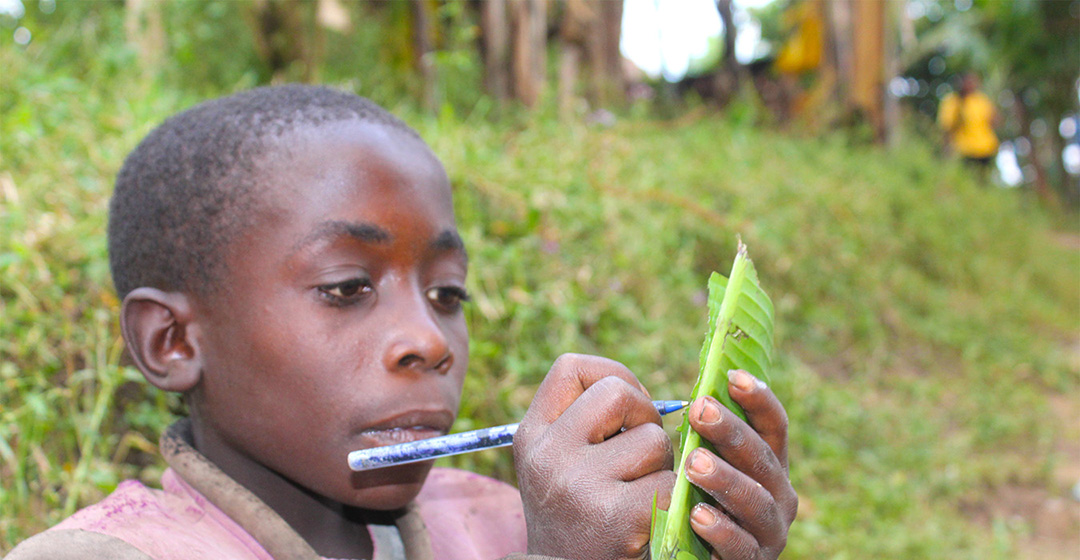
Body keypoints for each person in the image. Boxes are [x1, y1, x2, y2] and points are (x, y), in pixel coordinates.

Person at [7, 85, 797, 560]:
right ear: (174, 341)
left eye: (447, 294)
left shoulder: (499, 525)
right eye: (349, 286)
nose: (428, 340)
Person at [938, 73, 1000, 171]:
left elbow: (994, 121)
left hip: (986, 149)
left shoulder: (982, 101)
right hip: (964, 150)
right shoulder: (952, 101)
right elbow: (946, 126)